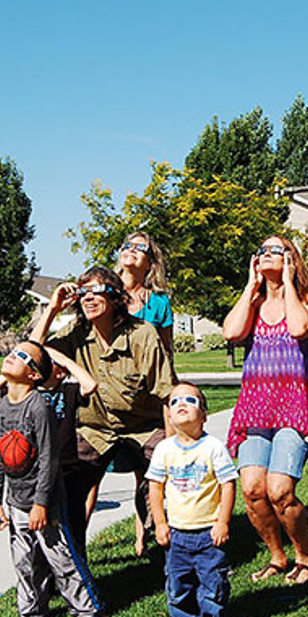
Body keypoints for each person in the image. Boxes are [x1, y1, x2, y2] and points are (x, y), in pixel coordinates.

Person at [32, 266, 176, 554]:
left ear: (114, 298)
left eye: (96, 291)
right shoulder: (77, 332)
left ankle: (165, 549)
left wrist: (174, 450)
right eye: (82, 292)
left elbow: (167, 395)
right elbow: (31, 354)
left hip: (145, 426)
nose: (87, 298)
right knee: (68, 487)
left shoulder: (141, 334)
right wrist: (52, 310)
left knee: (158, 489)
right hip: (94, 428)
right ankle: (71, 558)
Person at [222, 235, 308, 585]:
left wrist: (286, 284)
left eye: (276, 250)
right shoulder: (252, 302)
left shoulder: (307, 299)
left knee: (280, 490)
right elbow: (231, 332)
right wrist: (251, 287)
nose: (267, 254)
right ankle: (277, 557)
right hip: (256, 410)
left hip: (293, 409)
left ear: (291, 259)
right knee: (253, 490)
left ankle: (305, 556)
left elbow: (298, 327)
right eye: (262, 250)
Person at [0, 340, 104, 617]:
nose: (12, 356)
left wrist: (41, 504)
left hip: (47, 502)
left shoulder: (39, 406)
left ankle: (88, 612)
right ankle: (31, 615)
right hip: (15, 502)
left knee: (62, 559)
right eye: (13, 352)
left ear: (34, 375)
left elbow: (49, 460)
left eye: (22, 356)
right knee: (25, 562)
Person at [0, 344, 98, 557]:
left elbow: (90, 385)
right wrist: (20, 361)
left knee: (70, 536)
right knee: (40, 541)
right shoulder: (25, 397)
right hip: (36, 476)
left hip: (66, 473)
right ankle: (48, 582)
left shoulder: (68, 392)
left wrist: (62, 358)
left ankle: (78, 575)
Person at [147, 382, 237, 617]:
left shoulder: (213, 448)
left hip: (209, 532)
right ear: (169, 415)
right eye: (174, 402)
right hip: (176, 533)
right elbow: (155, 488)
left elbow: (228, 485)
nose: (182, 404)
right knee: (177, 582)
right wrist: (160, 523)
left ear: (204, 415)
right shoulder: (164, 449)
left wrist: (223, 522)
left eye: (190, 400)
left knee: (213, 581)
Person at [110, 231, 174, 555]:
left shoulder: (159, 303)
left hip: (149, 399)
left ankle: (145, 536)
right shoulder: (105, 293)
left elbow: (167, 353)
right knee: (88, 478)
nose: (132, 251)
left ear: (150, 263)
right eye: (128, 245)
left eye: (141, 248)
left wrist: (172, 399)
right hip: (110, 399)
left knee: (149, 472)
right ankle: (74, 548)